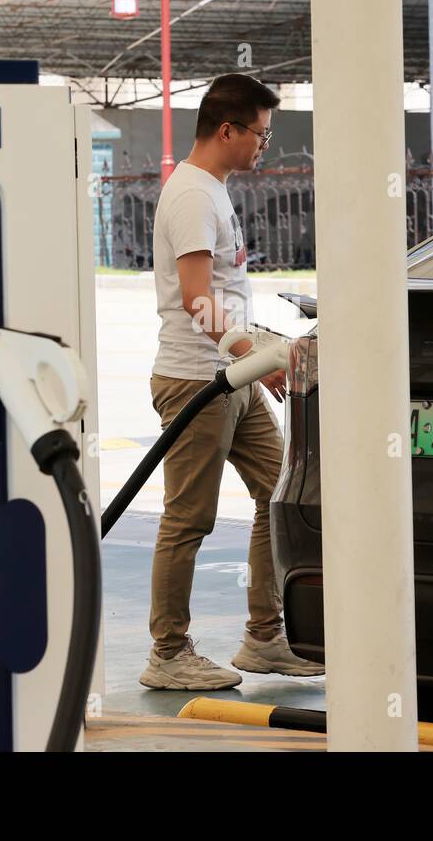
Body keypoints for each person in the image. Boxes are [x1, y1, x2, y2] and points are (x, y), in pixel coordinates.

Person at [140, 73, 324, 690]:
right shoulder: (192, 195)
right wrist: (255, 355)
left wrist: (254, 361)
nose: (264, 147)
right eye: (262, 135)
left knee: (279, 495)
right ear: (228, 130)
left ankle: (265, 638)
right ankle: (167, 652)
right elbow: (196, 300)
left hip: (230, 377)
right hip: (197, 380)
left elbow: (221, 294)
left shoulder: (212, 190)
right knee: (188, 519)